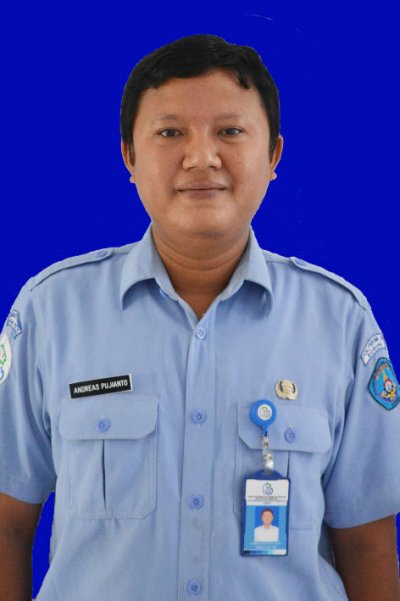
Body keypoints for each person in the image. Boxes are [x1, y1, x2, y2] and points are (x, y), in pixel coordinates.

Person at [0, 33, 399, 601]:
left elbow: (367, 545)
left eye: (230, 132)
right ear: (129, 157)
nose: (201, 157)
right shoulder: (50, 312)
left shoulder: (340, 322)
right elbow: (8, 524)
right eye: (170, 133)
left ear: (273, 156)